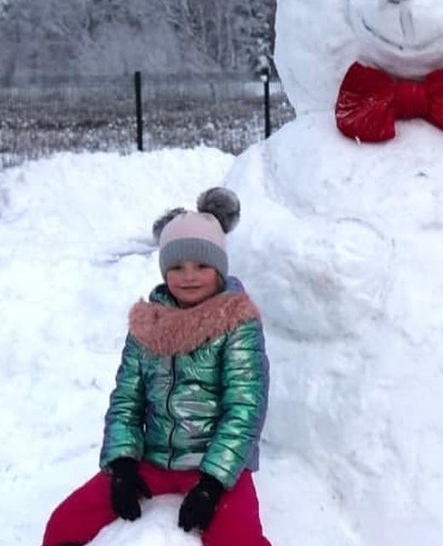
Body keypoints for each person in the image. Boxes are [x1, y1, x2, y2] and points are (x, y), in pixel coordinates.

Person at [41, 187, 271, 546]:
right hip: (153, 460)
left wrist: (212, 483)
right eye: (177, 266)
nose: (189, 276)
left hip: (213, 464)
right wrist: (121, 465)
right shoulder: (148, 324)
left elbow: (245, 408)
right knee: (63, 525)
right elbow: (126, 400)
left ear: (220, 268)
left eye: (202, 265)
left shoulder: (236, 324)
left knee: (239, 539)